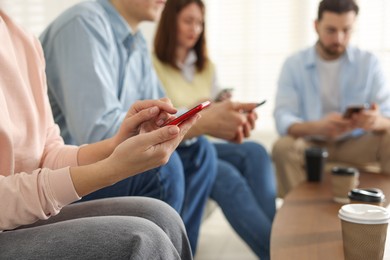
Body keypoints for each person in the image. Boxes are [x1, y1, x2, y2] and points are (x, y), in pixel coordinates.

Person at [0, 9, 196, 259]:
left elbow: (46, 153)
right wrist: (111, 169)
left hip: (20, 210)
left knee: (162, 216)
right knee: (142, 239)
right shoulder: (80, 26)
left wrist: (117, 144)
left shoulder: (24, 42)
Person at [39, 0, 217, 253]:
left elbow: (163, 111)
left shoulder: (136, 41)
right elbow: (96, 133)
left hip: (98, 156)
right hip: (72, 170)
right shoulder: (82, 24)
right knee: (161, 170)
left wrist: (197, 118)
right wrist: (202, 123)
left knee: (200, 152)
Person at [153, 0, 276, 258]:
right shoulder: (152, 65)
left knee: (255, 152)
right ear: (170, 21)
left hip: (203, 142)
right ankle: (277, 251)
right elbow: (160, 118)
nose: (195, 29)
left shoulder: (206, 66)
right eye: (189, 21)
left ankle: (277, 237)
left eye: (199, 23)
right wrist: (203, 113)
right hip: (179, 149)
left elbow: (213, 105)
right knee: (226, 175)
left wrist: (224, 106)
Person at [272, 0, 390, 198]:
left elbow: (387, 113)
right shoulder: (294, 64)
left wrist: (374, 121)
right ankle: (299, 212)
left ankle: (379, 213)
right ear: (316, 26)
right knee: (283, 147)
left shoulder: (369, 63)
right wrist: (317, 127)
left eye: (347, 30)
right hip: (312, 143)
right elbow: (283, 117)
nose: (339, 38)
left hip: (356, 142)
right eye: (331, 30)